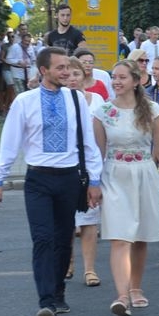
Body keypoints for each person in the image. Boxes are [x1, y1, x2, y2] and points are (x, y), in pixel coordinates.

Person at [0, 47, 103, 316]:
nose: (67, 72)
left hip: (68, 179)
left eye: (68, 67)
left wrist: (95, 180)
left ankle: (58, 291)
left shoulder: (76, 99)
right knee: (42, 239)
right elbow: (10, 142)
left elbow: (88, 142)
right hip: (38, 179)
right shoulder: (24, 102)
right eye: (60, 68)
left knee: (64, 238)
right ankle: (46, 301)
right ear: (43, 71)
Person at [93, 60, 159, 316]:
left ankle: (136, 287)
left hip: (144, 173)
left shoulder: (152, 110)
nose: (116, 82)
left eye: (122, 77)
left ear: (135, 80)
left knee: (140, 236)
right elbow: (97, 153)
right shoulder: (102, 112)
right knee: (120, 236)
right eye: (114, 77)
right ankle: (121, 296)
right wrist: (94, 184)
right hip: (114, 175)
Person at [64, 56, 104, 286]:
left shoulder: (97, 100)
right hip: (66, 167)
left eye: (76, 74)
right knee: (67, 220)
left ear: (84, 76)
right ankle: (67, 261)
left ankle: (89, 269)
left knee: (89, 220)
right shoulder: (59, 101)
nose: (72, 79)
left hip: (90, 167)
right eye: (67, 75)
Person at [7, 28, 37, 95]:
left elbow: (33, 60)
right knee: (20, 94)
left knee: (29, 94)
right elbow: (8, 59)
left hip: (29, 74)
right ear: (22, 40)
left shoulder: (31, 47)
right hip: (17, 74)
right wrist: (18, 62)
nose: (27, 43)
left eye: (29, 41)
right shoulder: (14, 47)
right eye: (26, 41)